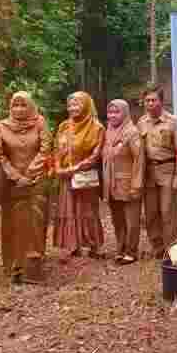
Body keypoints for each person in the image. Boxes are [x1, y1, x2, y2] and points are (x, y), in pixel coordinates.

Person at [0, 91, 53, 284]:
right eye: (15, 105)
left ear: (31, 106)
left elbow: (46, 148)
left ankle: (34, 268)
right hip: (12, 184)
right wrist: (16, 175)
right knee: (13, 224)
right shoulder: (1, 126)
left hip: (36, 183)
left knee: (35, 223)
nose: (18, 109)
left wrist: (29, 174)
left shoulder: (40, 123)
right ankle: (14, 267)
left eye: (23, 105)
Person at [53, 91, 105, 260]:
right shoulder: (64, 126)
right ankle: (71, 246)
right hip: (66, 176)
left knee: (87, 210)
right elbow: (56, 150)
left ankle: (93, 245)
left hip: (85, 176)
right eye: (70, 104)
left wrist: (75, 169)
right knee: (67, 210)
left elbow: (96, 155)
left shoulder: (96, 127)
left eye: (77, 104)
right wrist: (58, 167)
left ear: (87, 105)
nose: (72, 108)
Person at [137, 86, 177, 259]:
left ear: (161, 101)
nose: (150, 103)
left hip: (167, 169)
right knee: (151, 213)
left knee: (167, 212)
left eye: (153, 100)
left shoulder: (173, 121)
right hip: (149, 172)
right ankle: (156, 247)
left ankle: (171, 248)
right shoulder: (141, 122)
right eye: (147, 100)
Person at [102, 98, 146, 264]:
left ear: (125, 113)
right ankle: (120, 249)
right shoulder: (108, 131)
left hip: (128, 183)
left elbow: (139, 159)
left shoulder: (131, 132)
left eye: (116, 112)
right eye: (110, 112)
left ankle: (131, 251)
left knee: (132, 220)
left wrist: (136, 185)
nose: (112, 115)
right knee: (117, 219)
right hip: (112, 184)